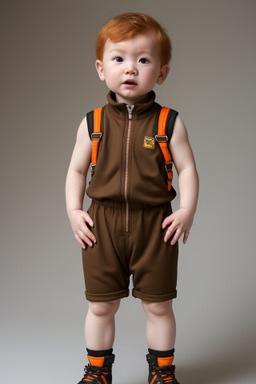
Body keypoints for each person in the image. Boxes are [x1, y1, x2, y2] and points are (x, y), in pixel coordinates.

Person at [65, 12, 199, 384]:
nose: (130, 68)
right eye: (119, 58)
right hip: (102, 223)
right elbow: (76, 171)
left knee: (158, 305)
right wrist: (75, 211)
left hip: (155, 225)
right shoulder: (91, 122)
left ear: (161, 72)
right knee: (101, 304)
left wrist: (186, 209)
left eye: (143, 59)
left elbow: (187, 169)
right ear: (100, 68)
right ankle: (97, 371)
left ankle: (162, 372)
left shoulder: (169, 122)